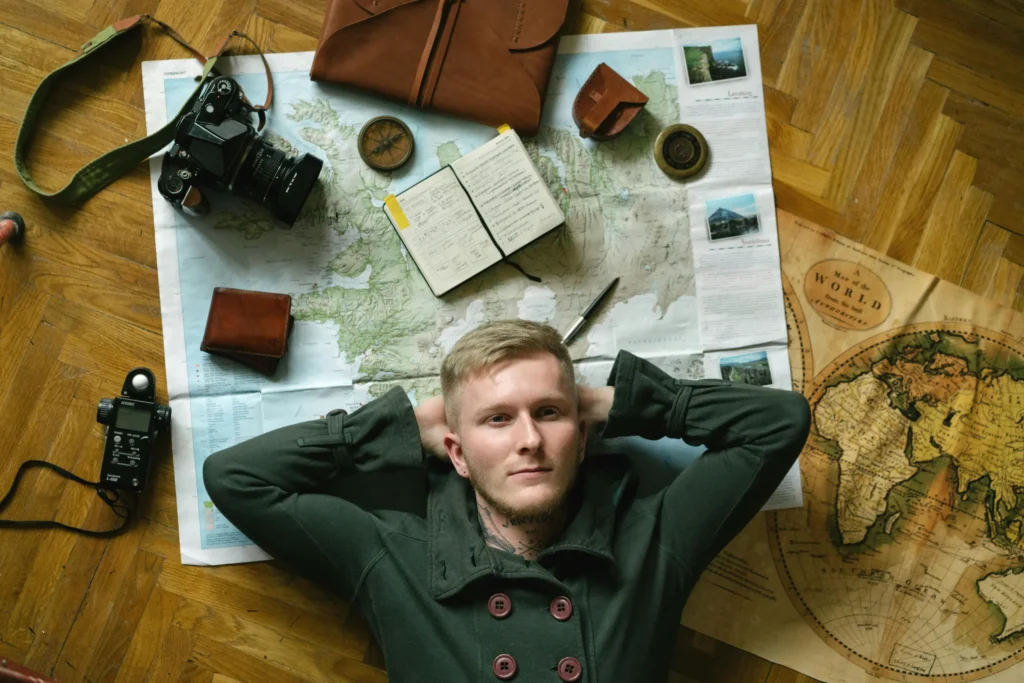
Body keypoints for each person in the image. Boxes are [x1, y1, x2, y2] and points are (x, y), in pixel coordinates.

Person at [203, 320, 810, 682]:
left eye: (547, 413)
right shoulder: (393, 556)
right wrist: (401, 428)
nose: (529, 440)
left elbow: (779, 422)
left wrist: (609, 404)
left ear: (580, 435)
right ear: (457, 455)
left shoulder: (653, 541)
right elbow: (236, 478)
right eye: (497, 420)